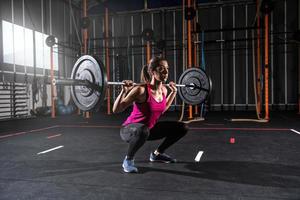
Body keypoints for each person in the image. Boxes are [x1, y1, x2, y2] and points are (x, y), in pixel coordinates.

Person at [112, 56, 189, 173]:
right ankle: (128, 161)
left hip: (147, 129)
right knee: (143, 130)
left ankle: (157, 154)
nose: (166, 72)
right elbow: (116, 109)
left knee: (182, 127)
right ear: (153, 71)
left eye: (167, 68)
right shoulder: (141, 90)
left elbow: (162, 109)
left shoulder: (164, 90)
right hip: (129, 130)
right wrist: (124, 91)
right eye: (162, 69)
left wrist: (173, 92)